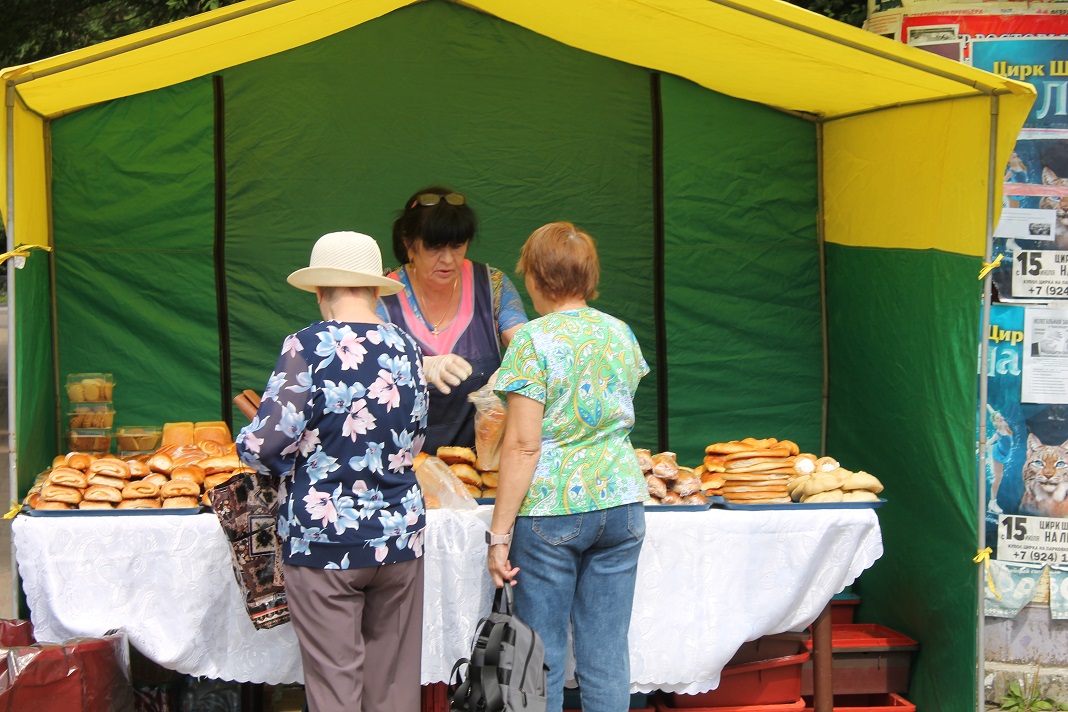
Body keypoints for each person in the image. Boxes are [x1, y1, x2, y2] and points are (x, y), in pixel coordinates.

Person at [236, 231, 428, 712]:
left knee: (335, 687)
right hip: (400, 532)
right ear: (372, 289)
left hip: (324, 538)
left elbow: (265, 443)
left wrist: (259, 447)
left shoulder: (307, 344)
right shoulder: (408, 346)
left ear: (322, 292)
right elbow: (418, 435)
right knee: (392, 689)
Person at [485, 222, 650, 712]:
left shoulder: (532, 341)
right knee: (606, 655)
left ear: (535, 278)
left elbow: (521, 446)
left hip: (553, 507)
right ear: (589, 277)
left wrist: (498, 535)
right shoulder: (620, 333)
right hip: (621, 501)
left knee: (542, 657)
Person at [377, 186, 527, 452]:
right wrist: (416, 366)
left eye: (457, 246)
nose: (448, 259)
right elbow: (364, 368)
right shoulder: (382, 296)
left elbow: (527, 347)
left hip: (481, 462)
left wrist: (510, 372)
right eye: (435, 247)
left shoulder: (492, 286)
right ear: (408, 242)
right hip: (401, 465)